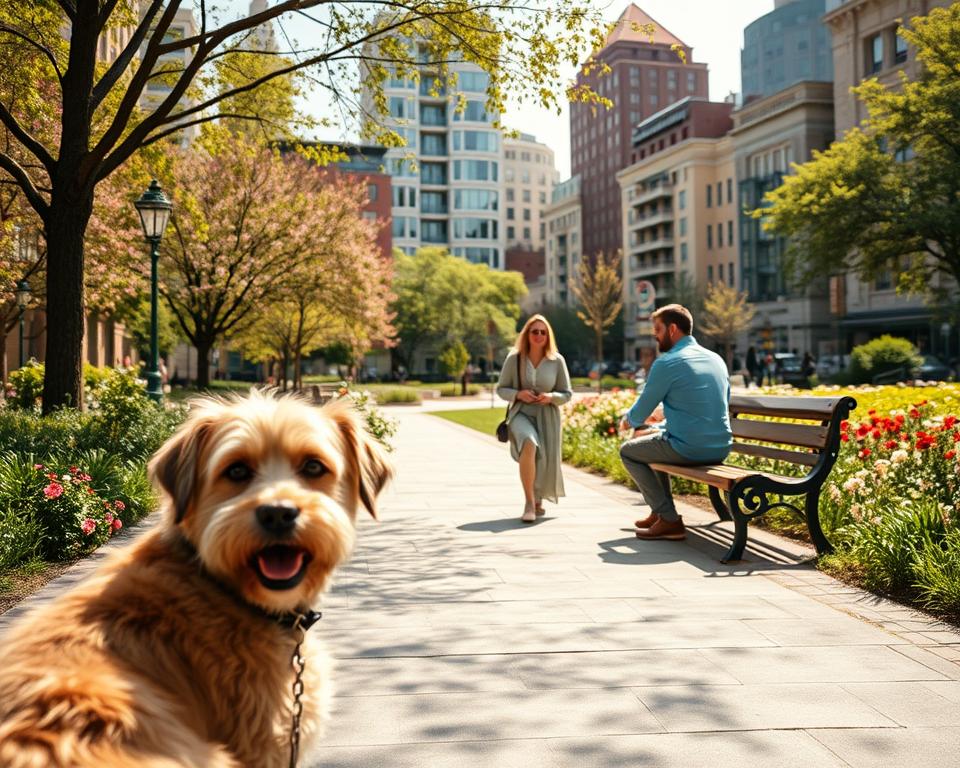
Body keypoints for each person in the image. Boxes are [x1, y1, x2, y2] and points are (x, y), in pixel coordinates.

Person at [618, 304, 732, 541]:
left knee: (629, 452)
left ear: (672, 329)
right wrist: (656, 428)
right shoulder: (716, 359)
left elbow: (640, 412)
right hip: (721, 448)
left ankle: (669, 519)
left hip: (690, 448)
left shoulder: (667, 362)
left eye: (657, 330)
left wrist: (627, 421)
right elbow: (708, 409)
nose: (655, 335)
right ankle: (659, 513)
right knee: (652, 443)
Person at [496, 315, 573, 523]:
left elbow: (567, 393)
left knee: (544, 458)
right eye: (534, 331)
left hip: (547, 415)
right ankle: (529, 503)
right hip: (521, 413)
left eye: (543, 332)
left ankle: (538, 499)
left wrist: (551, 397)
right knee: (529, 443)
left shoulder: (557, 361)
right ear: (527, 334)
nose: (539, 335)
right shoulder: (515, 358)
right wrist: (518, 394)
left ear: (548, 336)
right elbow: (501, 389)